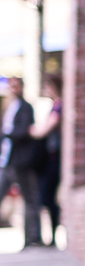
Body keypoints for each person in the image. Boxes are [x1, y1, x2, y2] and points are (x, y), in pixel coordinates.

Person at [0, 76, 43, 247]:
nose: (13, 89)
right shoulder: (9, 107)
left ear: (22, 87)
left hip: (20, 162)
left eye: (15, 86)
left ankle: (33, 238)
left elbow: (23, 131)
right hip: (6, 161)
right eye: (11, 86)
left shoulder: (25, 107)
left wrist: (7, 134)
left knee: (30, 200)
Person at [32, 74, 63, 245]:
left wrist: (31, 131)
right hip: (50, 157)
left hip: (55, 157)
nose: (46, 89)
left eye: (48, 85)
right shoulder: (54, 105)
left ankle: (53, 237)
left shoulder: (59, 106)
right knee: (46, 196)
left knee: (47, 196)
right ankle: (51, 237)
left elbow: (45, 129)